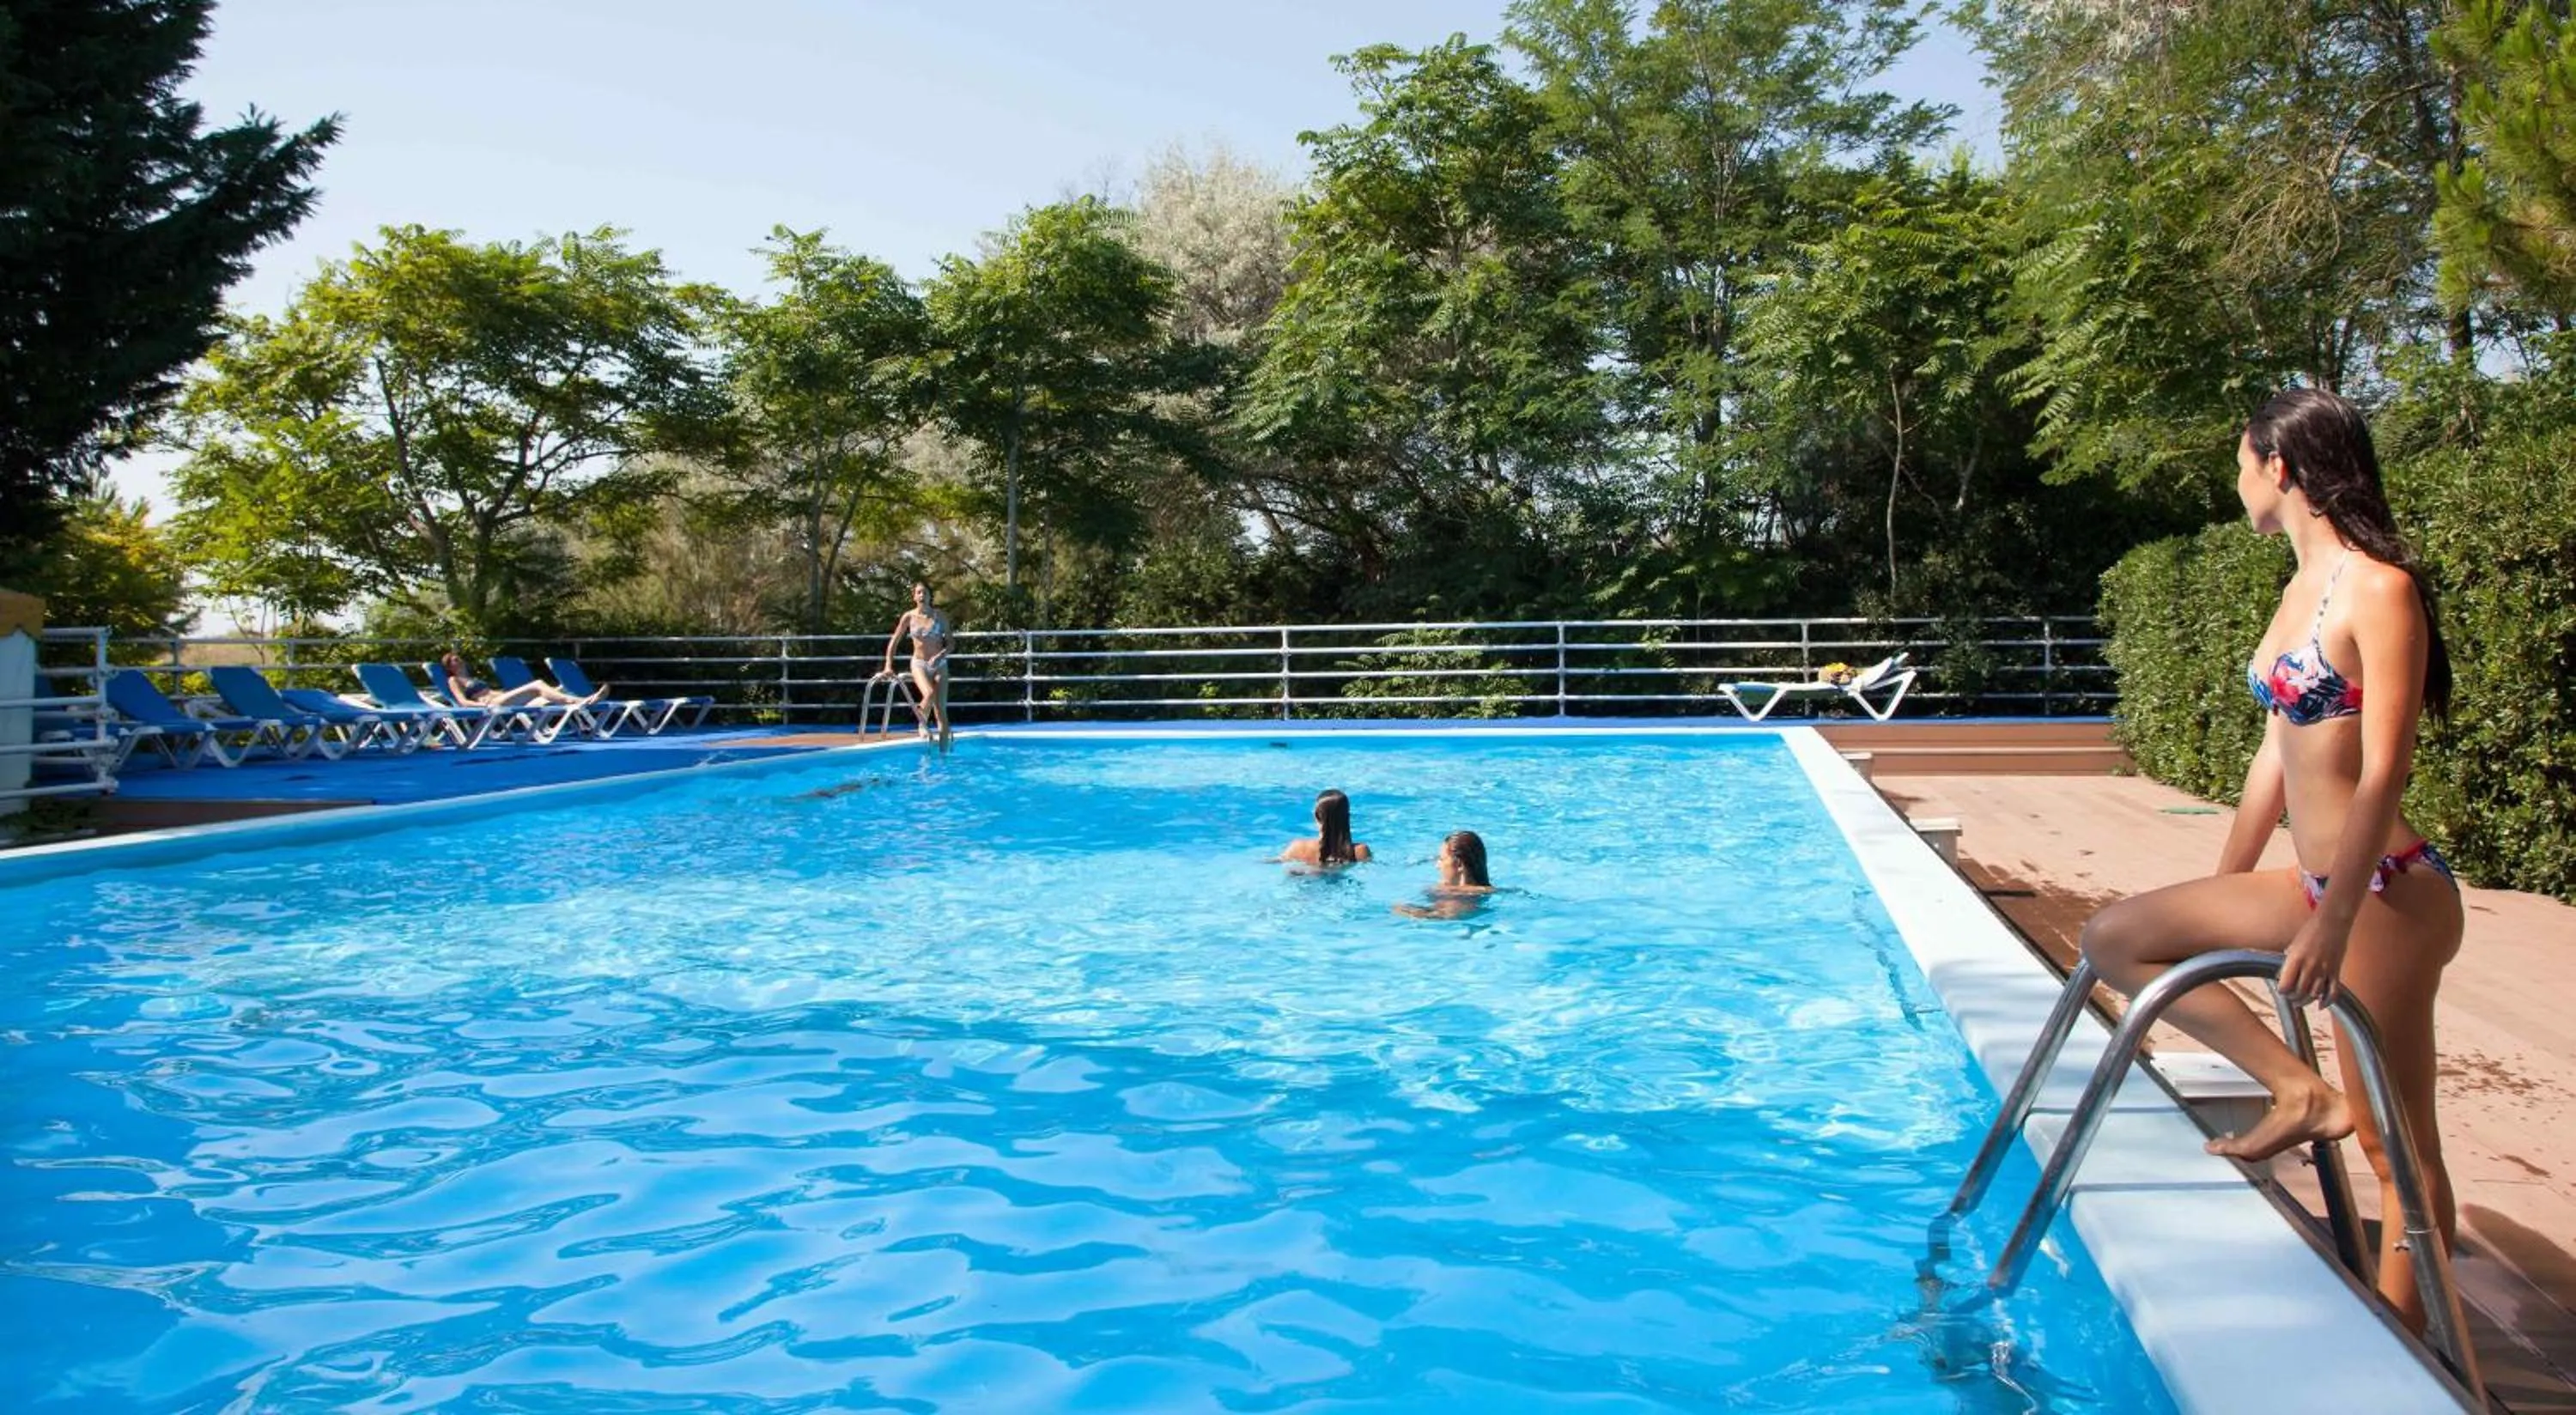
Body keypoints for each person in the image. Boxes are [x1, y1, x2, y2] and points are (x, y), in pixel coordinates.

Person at [2076, 387, 2459, 1328]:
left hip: (2386, 895)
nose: (2236, 482)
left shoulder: (2379, 586)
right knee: (2117, 936)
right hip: (2316, 884)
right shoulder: (2296, 589)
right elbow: (2272, 755)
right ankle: (2297, 1089)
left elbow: (2384, 770)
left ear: (2279, 468)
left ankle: (2416, 1350)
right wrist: (2224, 879)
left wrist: (2332, 924)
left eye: (2240, 464)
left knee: (2396, 1147)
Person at [882, 581, 951, 745]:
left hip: (939, 664)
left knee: (941, 711)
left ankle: (944, 755)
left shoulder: (939, 616)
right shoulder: (909, 617)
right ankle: (922, 722)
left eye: (925, 593)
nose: (922, 595)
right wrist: (888, 665)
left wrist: (941, 655)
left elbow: (951, 643)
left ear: (930, 596)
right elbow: (894, 642)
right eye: (919, 593)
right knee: (928, 694)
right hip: (919, 663)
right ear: (914, 596)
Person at [438, 652, 601, 711]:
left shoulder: (472, 678)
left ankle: (577, 701)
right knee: (537, 684)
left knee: (543, 699)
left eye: (458, 658)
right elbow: (462, 702)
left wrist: (505, 694)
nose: (459, 660)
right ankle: (583, 701)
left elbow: (492, 692)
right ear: (449, 667)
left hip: (498, 698)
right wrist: (483, 706)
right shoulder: (454, 680)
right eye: (454, 660)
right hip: (491, 704)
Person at [1393, 830, 1496, 919]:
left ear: (1459, 865)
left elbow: (1448, 916)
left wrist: (1410, 912)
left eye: (1441, 860)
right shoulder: (1448, 889)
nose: (1437, 866)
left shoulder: (1469, 896)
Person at [1277, 788, 1372, 867]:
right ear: (1347, 817)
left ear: (1316, 816)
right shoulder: (1360, 852)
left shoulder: (1297, 848)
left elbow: (1277, 863)